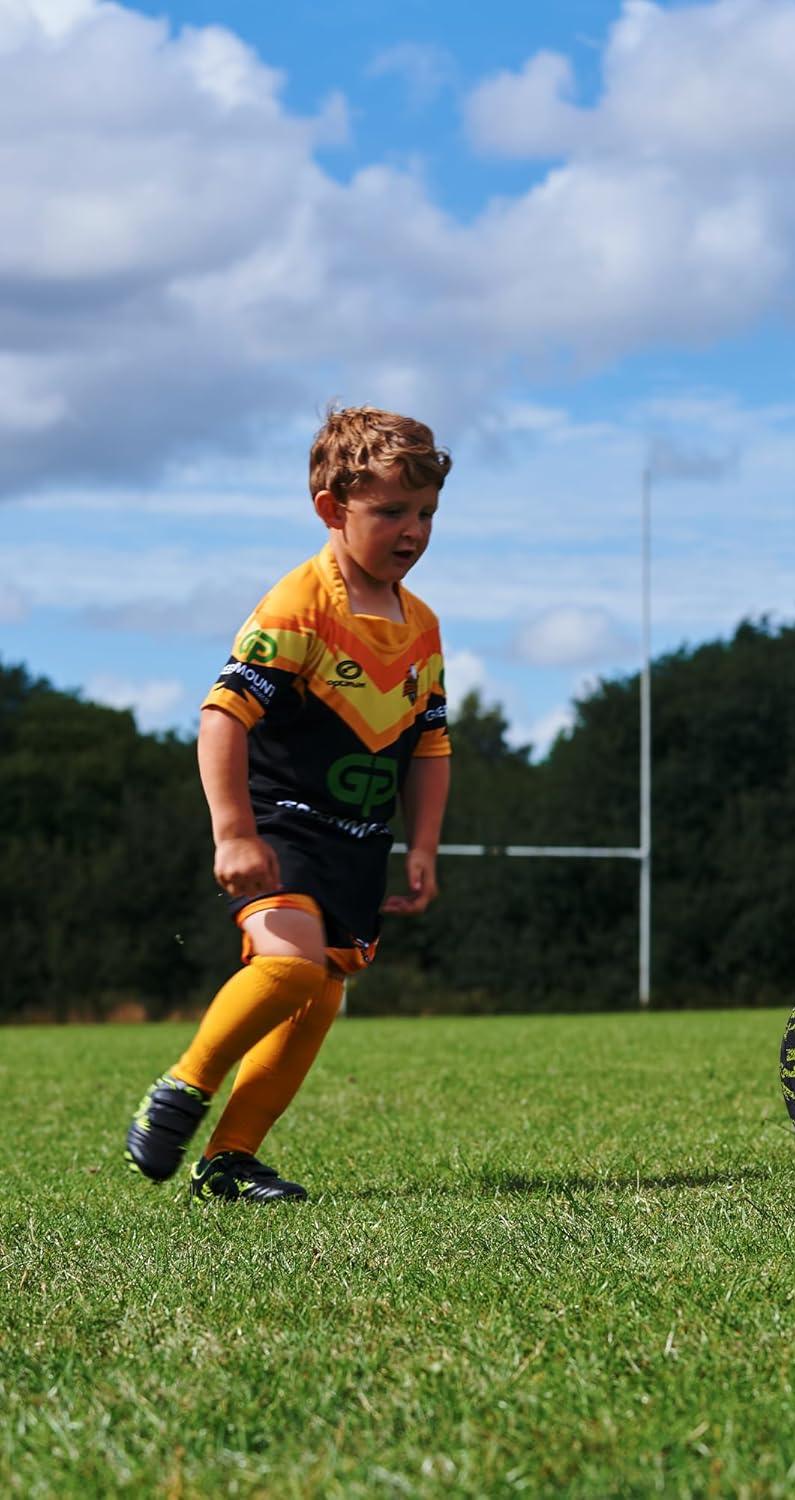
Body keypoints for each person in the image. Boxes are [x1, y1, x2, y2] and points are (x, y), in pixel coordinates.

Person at [125, 406, 452, 1202]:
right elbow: (221, 715)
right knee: (290, 965)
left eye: (426, 514)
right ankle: (184, 1086)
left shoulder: (424, 627)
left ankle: (230, 1160)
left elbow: (430, 746)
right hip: (280, 825)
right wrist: (234, 831)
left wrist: (422, 847)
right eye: (390, 513)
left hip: (356, 844)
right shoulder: (298, 604)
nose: (412, 531)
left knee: (320, 995)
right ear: (331, 510)